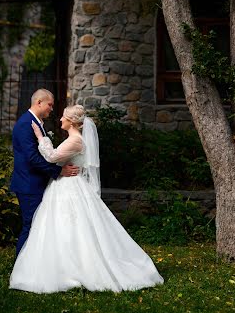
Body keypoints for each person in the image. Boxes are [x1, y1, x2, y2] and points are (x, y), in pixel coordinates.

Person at [9, 104, 164, 293]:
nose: (60, 120)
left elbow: (51, 157)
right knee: (61, 227)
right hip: (64, 185)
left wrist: (41, 137)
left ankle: (75, 269)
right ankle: (63, 266)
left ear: (72, 122)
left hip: (70, 187)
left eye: (63, 117)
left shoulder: (75, 140)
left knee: (72, 227)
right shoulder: (72, 139)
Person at [10, 89, 78, 257]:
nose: (52, 109)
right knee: (31, 225)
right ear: (39, 102)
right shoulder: (26, 123)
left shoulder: (35, 121)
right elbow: (32, 158)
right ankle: (20, 267)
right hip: (29, 184)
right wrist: (59, 171)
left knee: (39, 226)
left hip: (36, 182)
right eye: (50, 104)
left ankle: (33, 265)